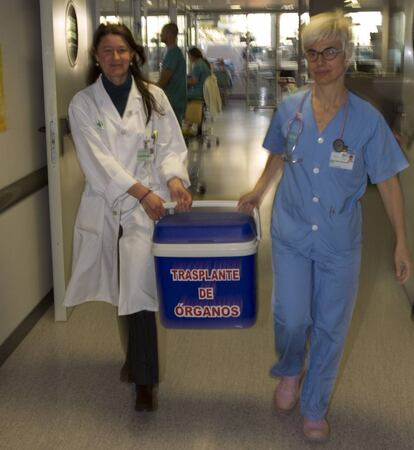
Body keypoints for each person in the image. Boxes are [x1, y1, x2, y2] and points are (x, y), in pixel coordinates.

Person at [238, 12, 412, 442]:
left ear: (347, 56)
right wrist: (259, 192)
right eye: (312, 53)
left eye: (330, 52)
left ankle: (315, 406)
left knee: (332, 327)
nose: (320, 61)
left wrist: (401, 243)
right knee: (292, 318)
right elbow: (277, 153)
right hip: (292, 231)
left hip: (339, 241)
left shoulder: (367, 120)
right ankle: (291, 369)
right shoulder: (290, 107)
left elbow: (388, 183)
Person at [64, 23, 192, 413]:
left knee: (138, 291)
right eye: (107, 51)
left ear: (133, 54)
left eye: (122, 50)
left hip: (147, 208)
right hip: (110, 204)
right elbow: (97, 163)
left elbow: (170, 144)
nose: (116, 58)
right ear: (97, 58)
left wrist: (173, 180)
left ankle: (144, 381)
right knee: (126, 288)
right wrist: (144, 193)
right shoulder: (83, 104)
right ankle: (137, 364)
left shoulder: (153, 97)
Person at [157, 22, 187, 124]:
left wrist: (151, 89)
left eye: (162, 32)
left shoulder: (173, 54)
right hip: (176, 98)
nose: (160, 35)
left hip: (173, 99)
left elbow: (164, 80)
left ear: (169, 34)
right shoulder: (175, 52)